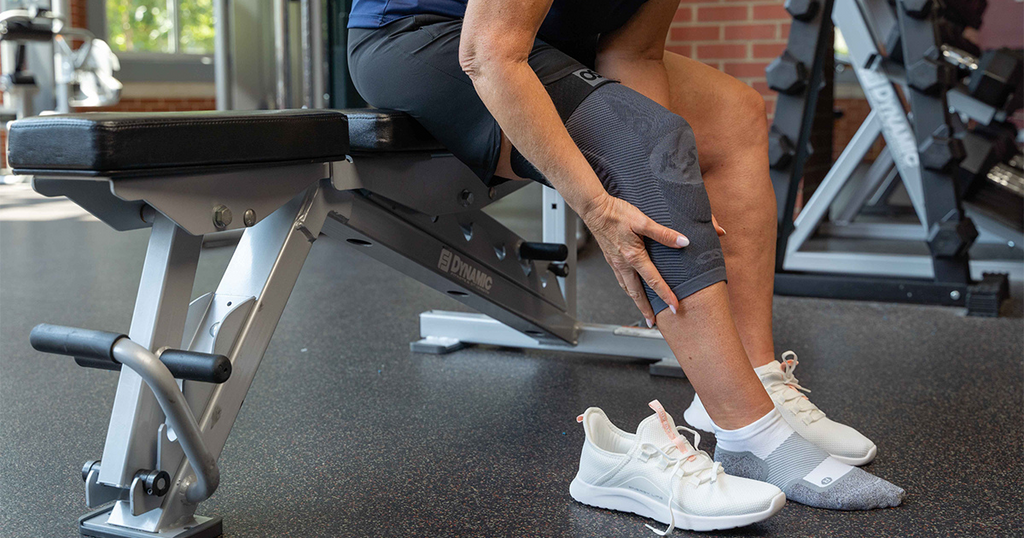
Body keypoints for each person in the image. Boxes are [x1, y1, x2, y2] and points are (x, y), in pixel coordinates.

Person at [347, 0, 904, 531]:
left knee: (732, 113)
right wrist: (601, 199)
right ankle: (751, 434)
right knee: (644, 143)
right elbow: (489, 52)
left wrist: (669, 182)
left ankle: (758, 379)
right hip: (430, 42)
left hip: (549, 49)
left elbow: (633, 56)